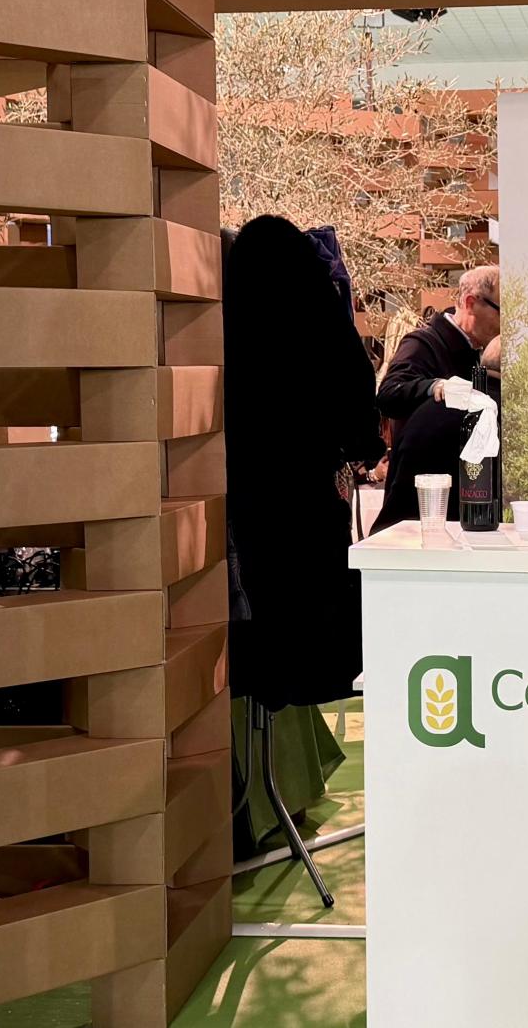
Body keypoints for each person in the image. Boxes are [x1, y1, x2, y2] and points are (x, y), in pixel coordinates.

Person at [222, 215, 386, 709]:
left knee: (260, 620)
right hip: (310, 498)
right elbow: (358, 406)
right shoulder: (321, 314)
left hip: (244, 498)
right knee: (309, 625)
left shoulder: (223, 318)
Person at [370, 266, 500, 535]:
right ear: (470, 303)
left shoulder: (475, 352)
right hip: (418, 502)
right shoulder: (423, 343)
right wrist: (434, 386)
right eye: (501, 310)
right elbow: (388, 394)